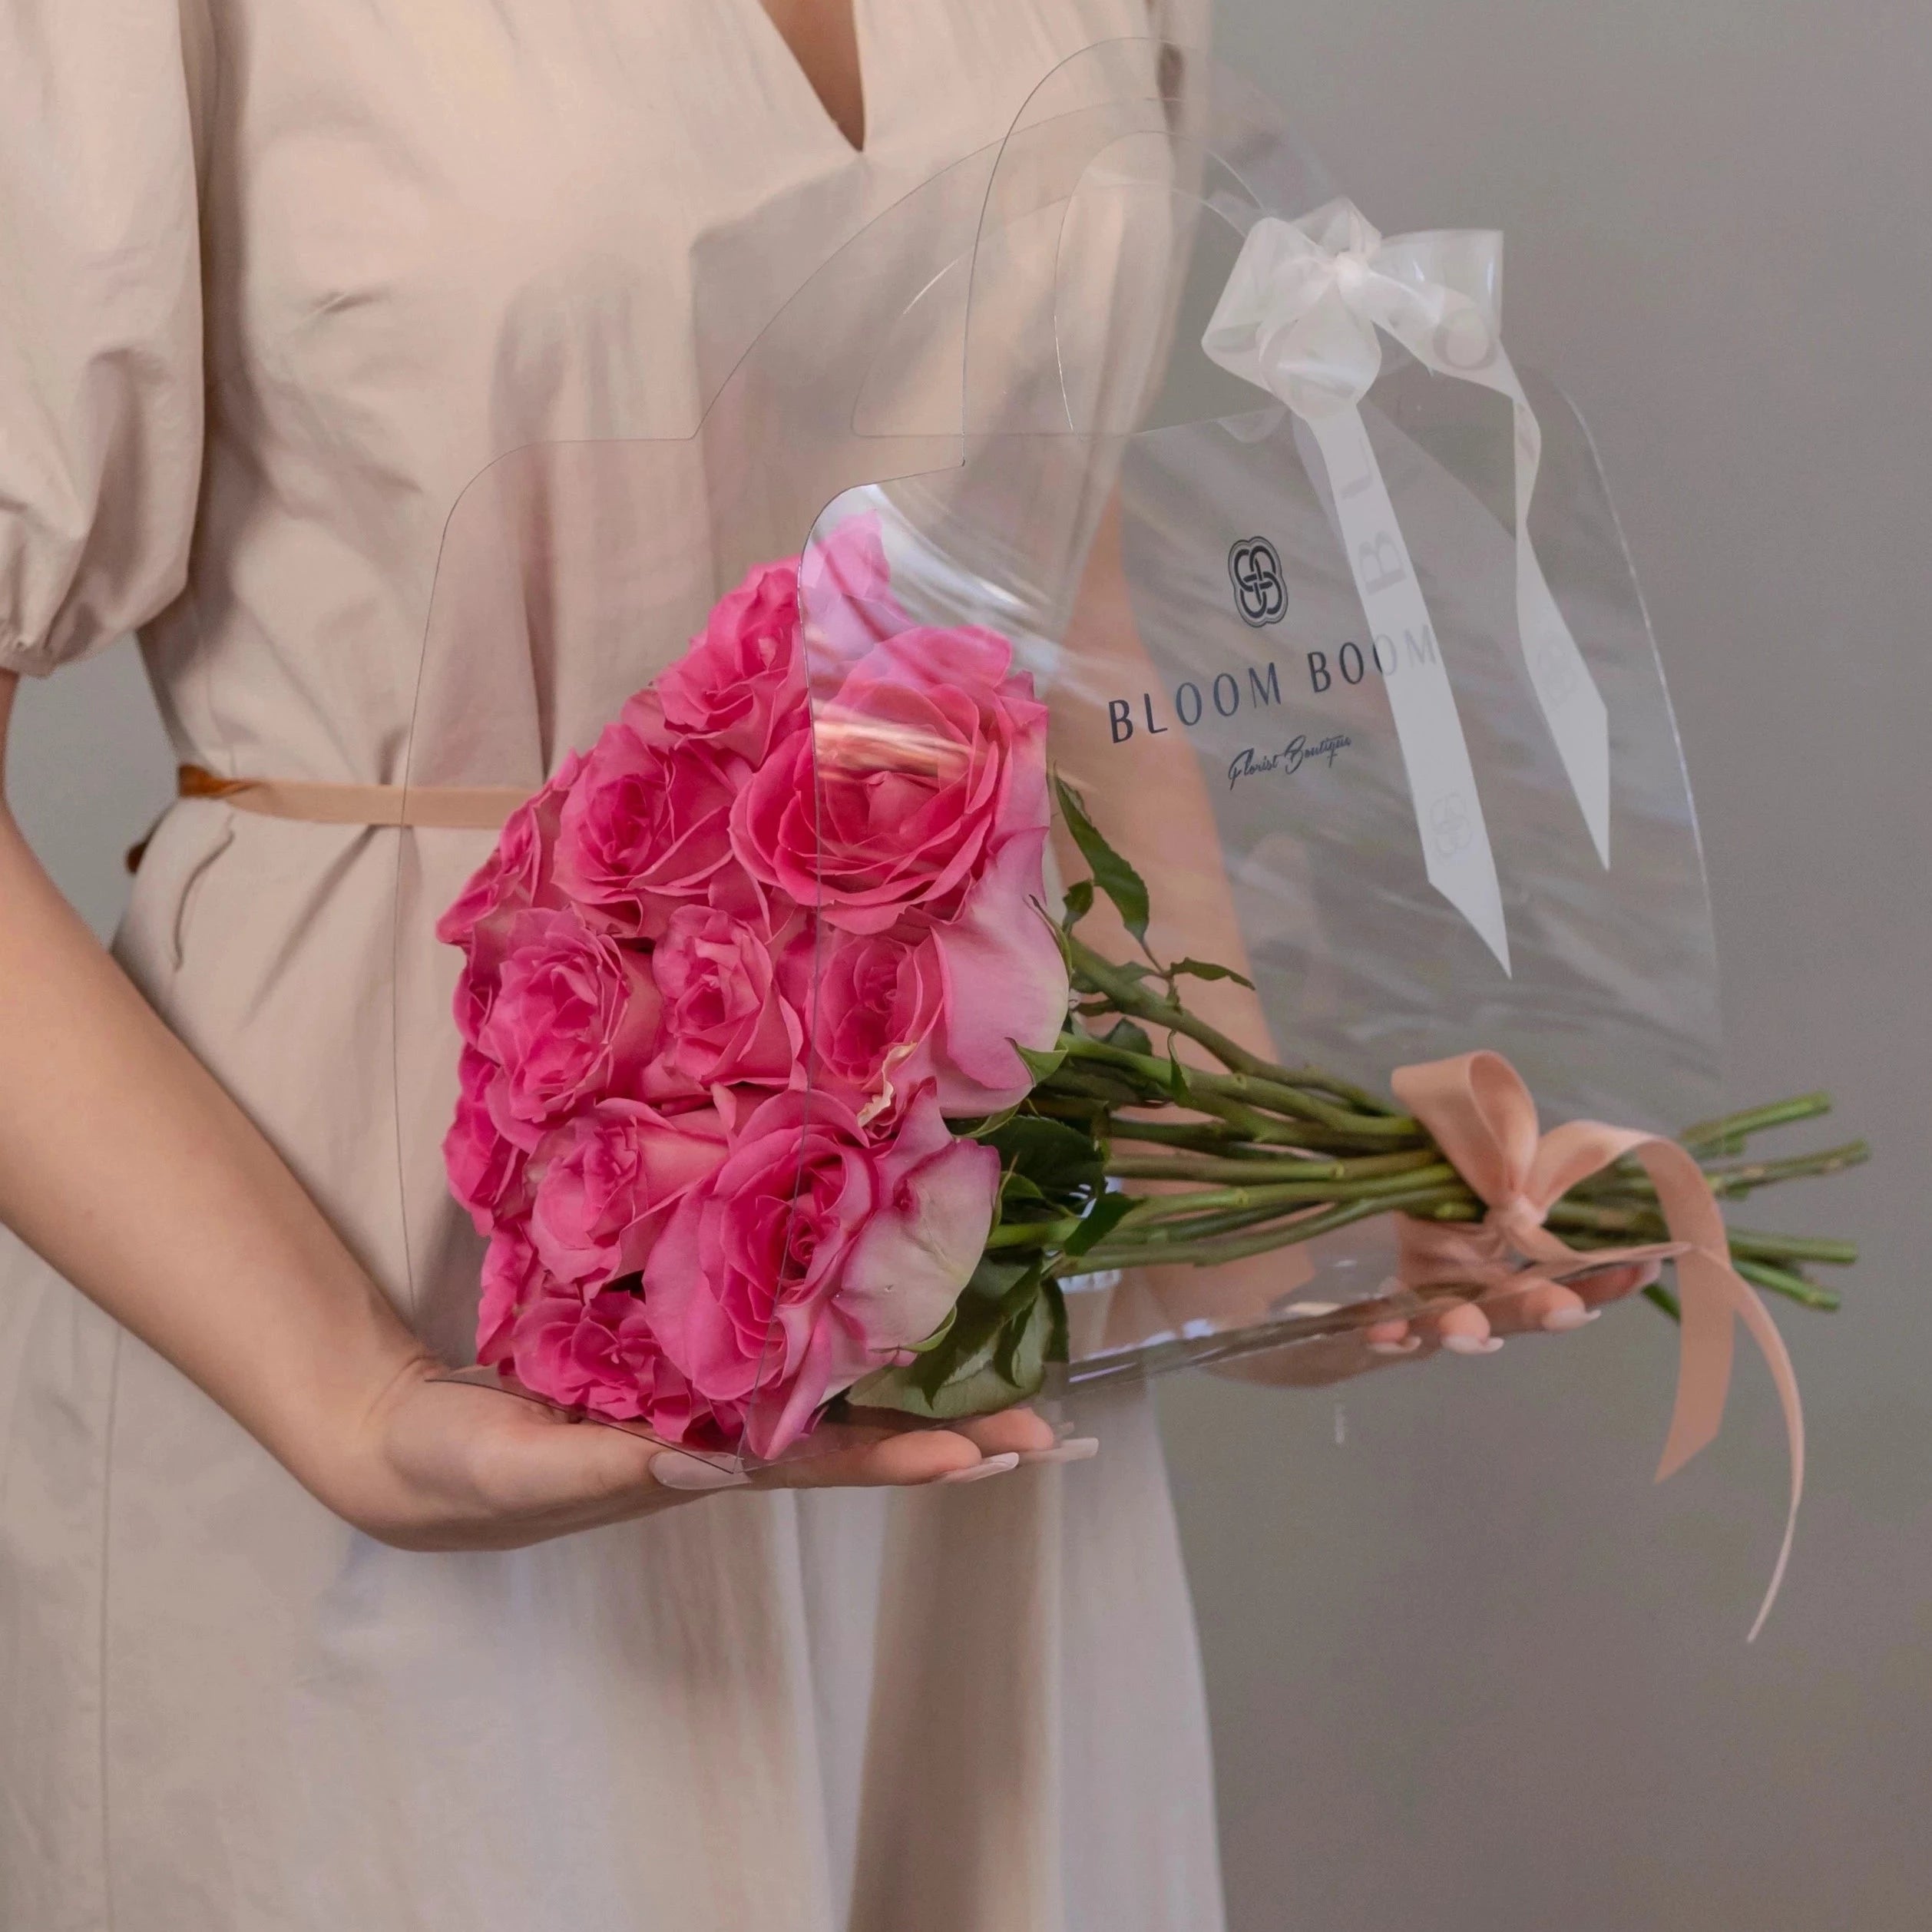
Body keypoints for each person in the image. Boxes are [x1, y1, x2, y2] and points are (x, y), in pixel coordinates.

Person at [0, 4, 1641, 1927]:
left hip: (955, 1282)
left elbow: (1045, 594)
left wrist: (1260, 1210)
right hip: (369, 1260)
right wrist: (356, 1402)